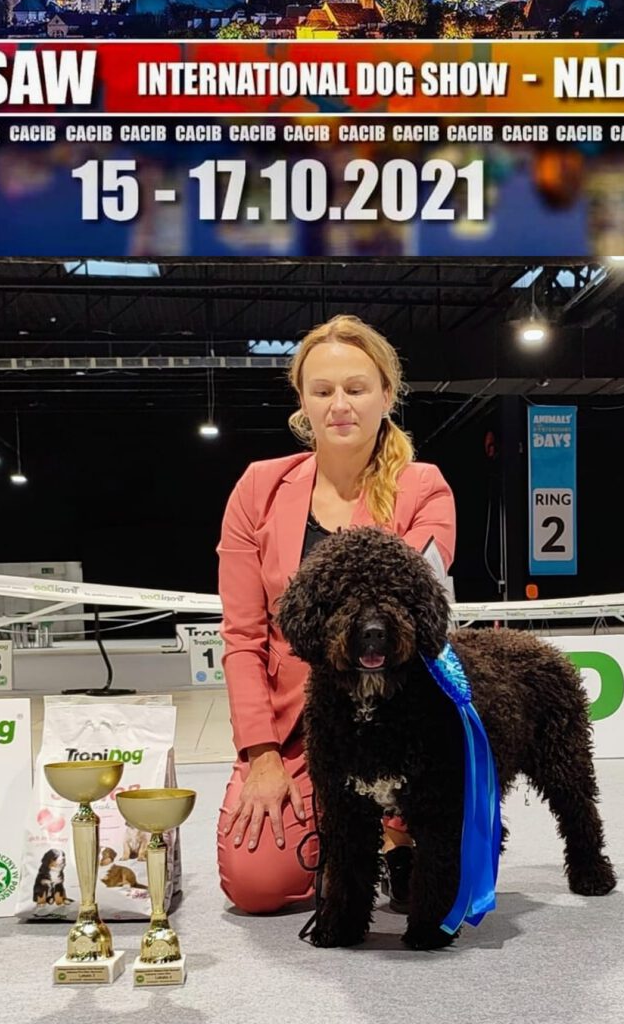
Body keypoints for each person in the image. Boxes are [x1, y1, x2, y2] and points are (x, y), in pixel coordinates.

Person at [216, 314, 456, 915]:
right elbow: (243, 637)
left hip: (395, 712)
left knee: (429, 874)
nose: (339, 405)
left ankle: (393, 832)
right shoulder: (257, 488)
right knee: (257, 885)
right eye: (322, 391)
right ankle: (336, 829)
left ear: (386, 395)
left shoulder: (425, 488)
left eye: (356, 388)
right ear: (303, 401)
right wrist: (261, 756)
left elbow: (419, 612)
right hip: (297, 723)